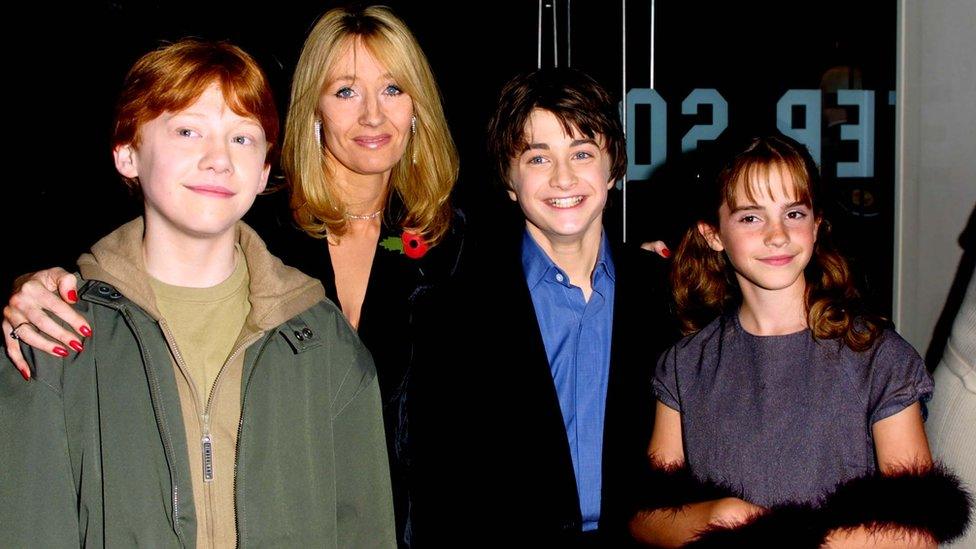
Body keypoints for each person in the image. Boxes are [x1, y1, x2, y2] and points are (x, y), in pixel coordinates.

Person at [1, 6, 460, 545]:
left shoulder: (456, 245)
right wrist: (28, 288)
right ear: (309, 109)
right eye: (345, 91)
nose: (373, 116)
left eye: (393, 89)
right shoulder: (243, 213)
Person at [628, 135, 971, 547]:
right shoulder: (686, 363)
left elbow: (917, 531)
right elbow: (647, 517)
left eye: (793, 213)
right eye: (751, 218)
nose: (778, 235)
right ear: (713, 234)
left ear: (817, 223)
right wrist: (720, 516)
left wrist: (777, 539)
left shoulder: (878, 356)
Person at [408, 68, 677, 546]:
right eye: (537, 157)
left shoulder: (669, 293)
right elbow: (437, 486)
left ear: (613, 167)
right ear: (509, 179)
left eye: (582, 153)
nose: (563, 177)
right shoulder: (454, 312)